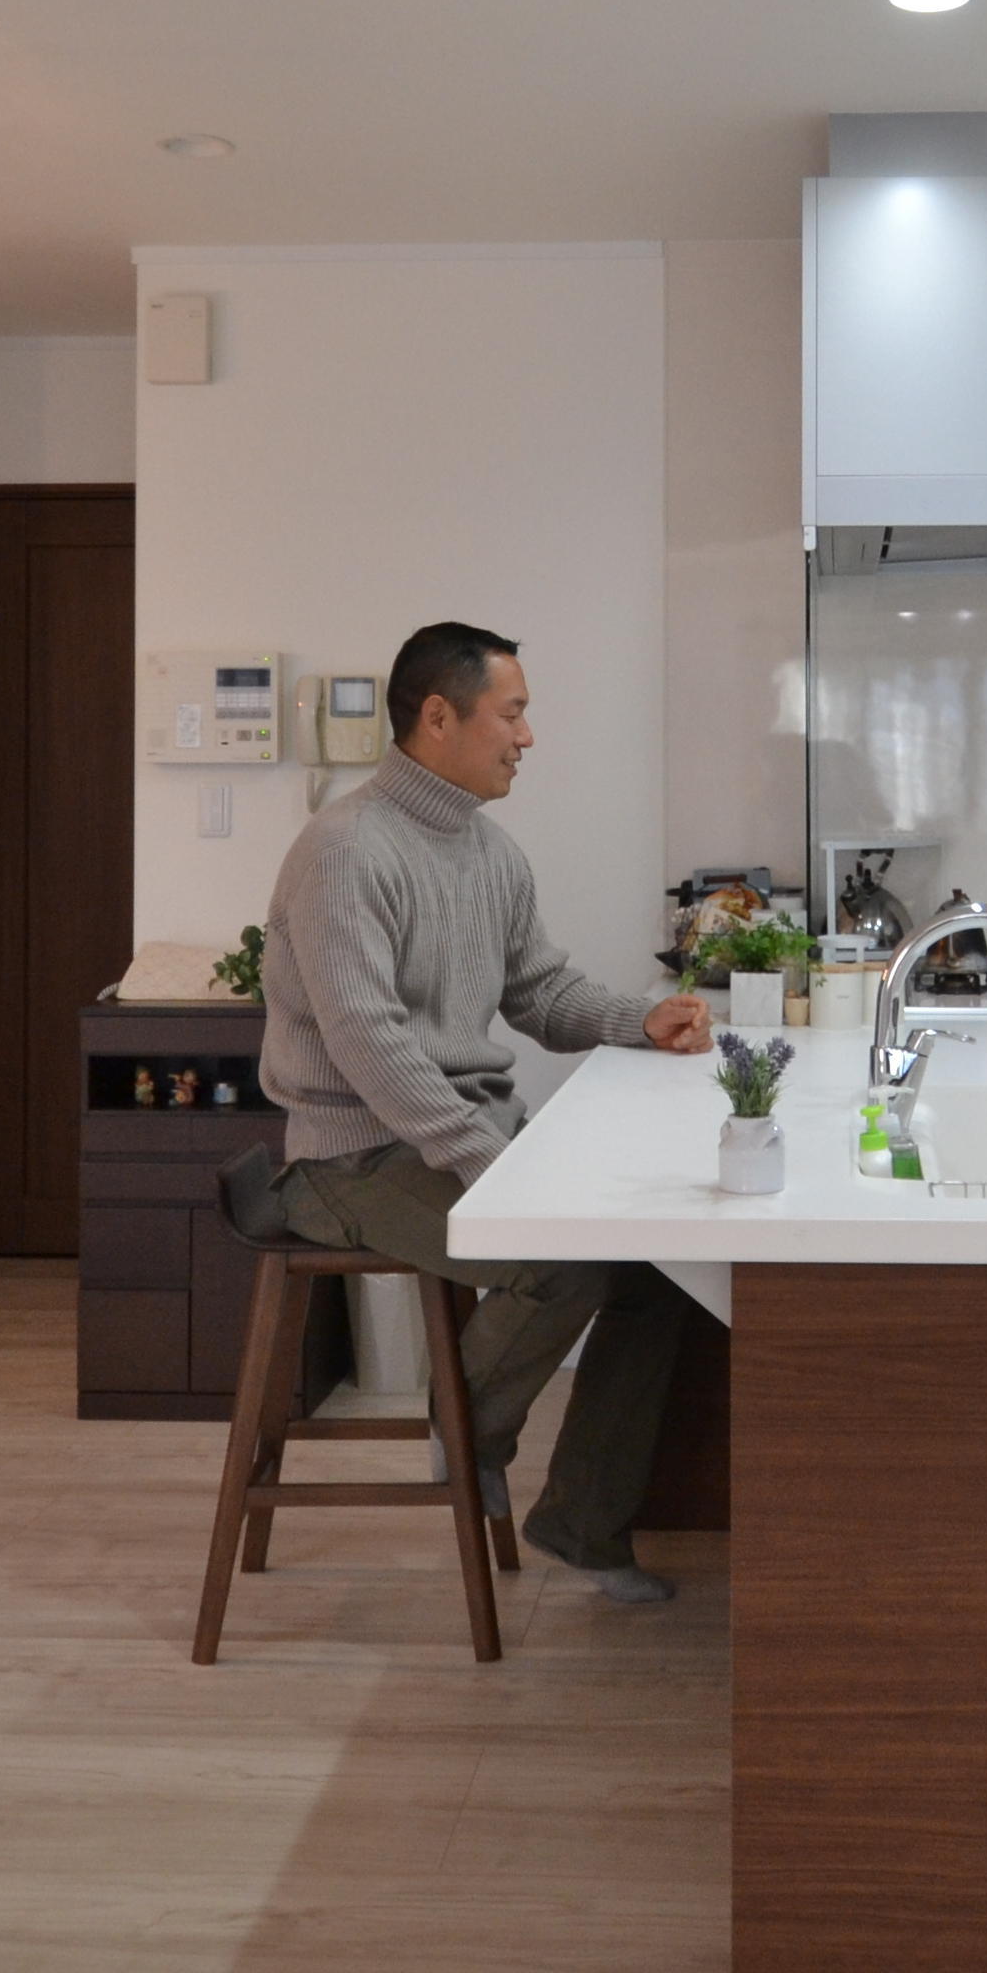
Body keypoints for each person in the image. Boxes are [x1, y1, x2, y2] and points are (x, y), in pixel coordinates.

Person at [260, 620, 715, 1604]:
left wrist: (642, 1020)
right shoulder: (344, 850)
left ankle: (581, 1524)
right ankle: (466, 1439)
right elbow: (369, 1043)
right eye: (512, 714)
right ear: (438, 716)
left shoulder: (488, 850)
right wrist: (488, 1161)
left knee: (661, 1268)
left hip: (449, 1137)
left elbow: (540, 992)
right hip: (351, 1158)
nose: (527, 737)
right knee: (564, 1263)